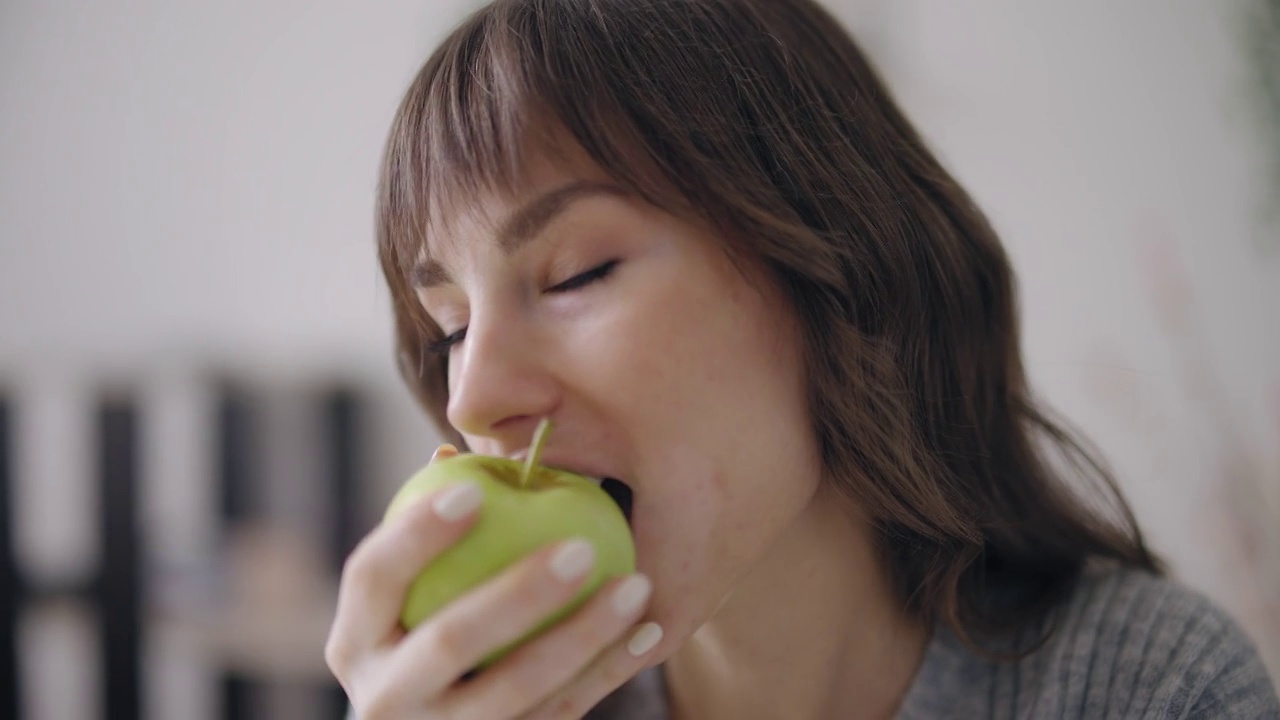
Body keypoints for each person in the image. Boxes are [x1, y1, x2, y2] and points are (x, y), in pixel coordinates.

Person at [323, 0, 1280, 718]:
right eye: (448, 328)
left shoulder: (1151, 687)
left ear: (832, 262)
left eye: (578, 273)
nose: (474, 399)